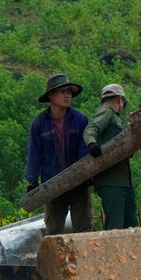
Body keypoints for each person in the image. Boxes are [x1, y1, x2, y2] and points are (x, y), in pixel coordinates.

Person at [25, 73, 93, 235]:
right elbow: (34, 153)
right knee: (53, 232)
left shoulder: (80, 120)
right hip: (52, 185)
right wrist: (31, 183)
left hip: (79, 184)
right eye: (62, 92)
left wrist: (85, 177)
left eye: (69, 92)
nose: (67, 95)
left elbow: (84, 153)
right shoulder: (39, 124)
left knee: (84, 231)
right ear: (50, 95)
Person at [84, 83, 138, 230]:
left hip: (122, 181)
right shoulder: (107, 112)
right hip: (112, 181)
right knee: (115, 227)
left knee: (130, 226)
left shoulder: (115, 119)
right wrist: (92, 144)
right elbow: (91, 129)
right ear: (120, 100)